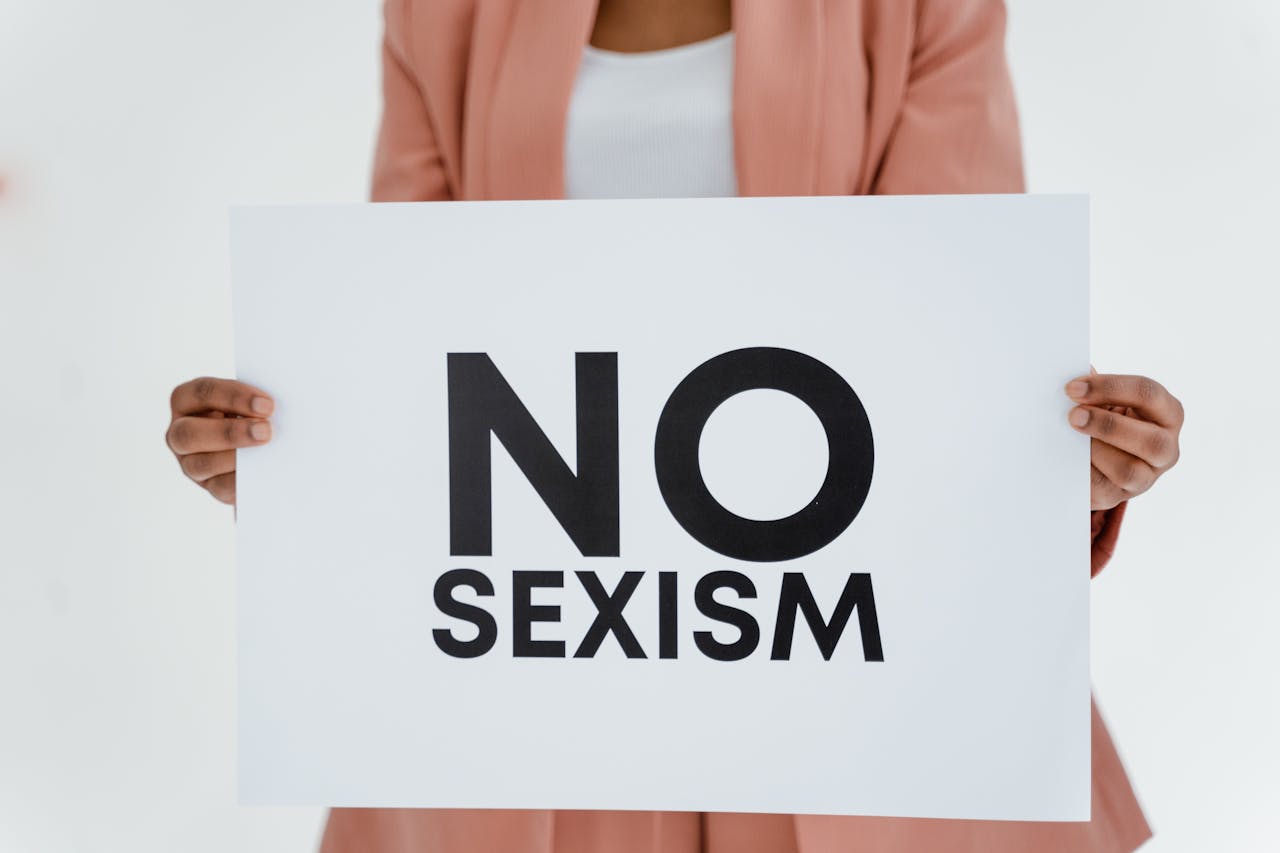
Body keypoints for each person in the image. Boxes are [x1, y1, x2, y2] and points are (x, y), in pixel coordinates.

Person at [165, 1, 1184, 850]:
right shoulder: (439, 12)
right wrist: (292, 457)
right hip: (546, 640)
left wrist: (1056, 467)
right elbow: (412, 353)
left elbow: (946, 329)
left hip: (829, 635)